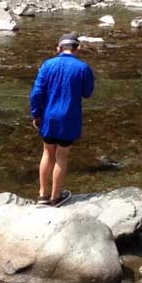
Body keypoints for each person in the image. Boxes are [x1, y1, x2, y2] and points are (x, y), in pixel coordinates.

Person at [29, 33, 95, 206]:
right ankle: (56, 196)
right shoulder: (83, 68)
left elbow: (36, 93)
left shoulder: (47, 65)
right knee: (62, 157)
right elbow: (87, 93)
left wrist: (36, 114)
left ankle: (43, 195)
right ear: (77, 48)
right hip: (69, 117)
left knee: (47, 153)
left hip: (48, 116)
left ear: (58, 48)